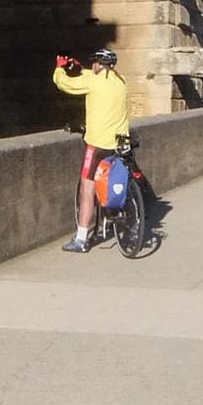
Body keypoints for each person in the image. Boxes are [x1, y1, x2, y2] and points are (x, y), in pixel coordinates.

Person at [51, 48, 131, 253]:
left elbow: (65, 84)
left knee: (87, 188)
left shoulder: (93, 82)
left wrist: (60, 70)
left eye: (93, 62)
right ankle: (120, 212)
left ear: (98, 64)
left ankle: (81, 238)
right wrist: (75, 67)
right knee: (113, 178)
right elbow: (89, 75)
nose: (92, 66)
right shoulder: (120, 82)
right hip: (119, 142)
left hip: (98, 143)